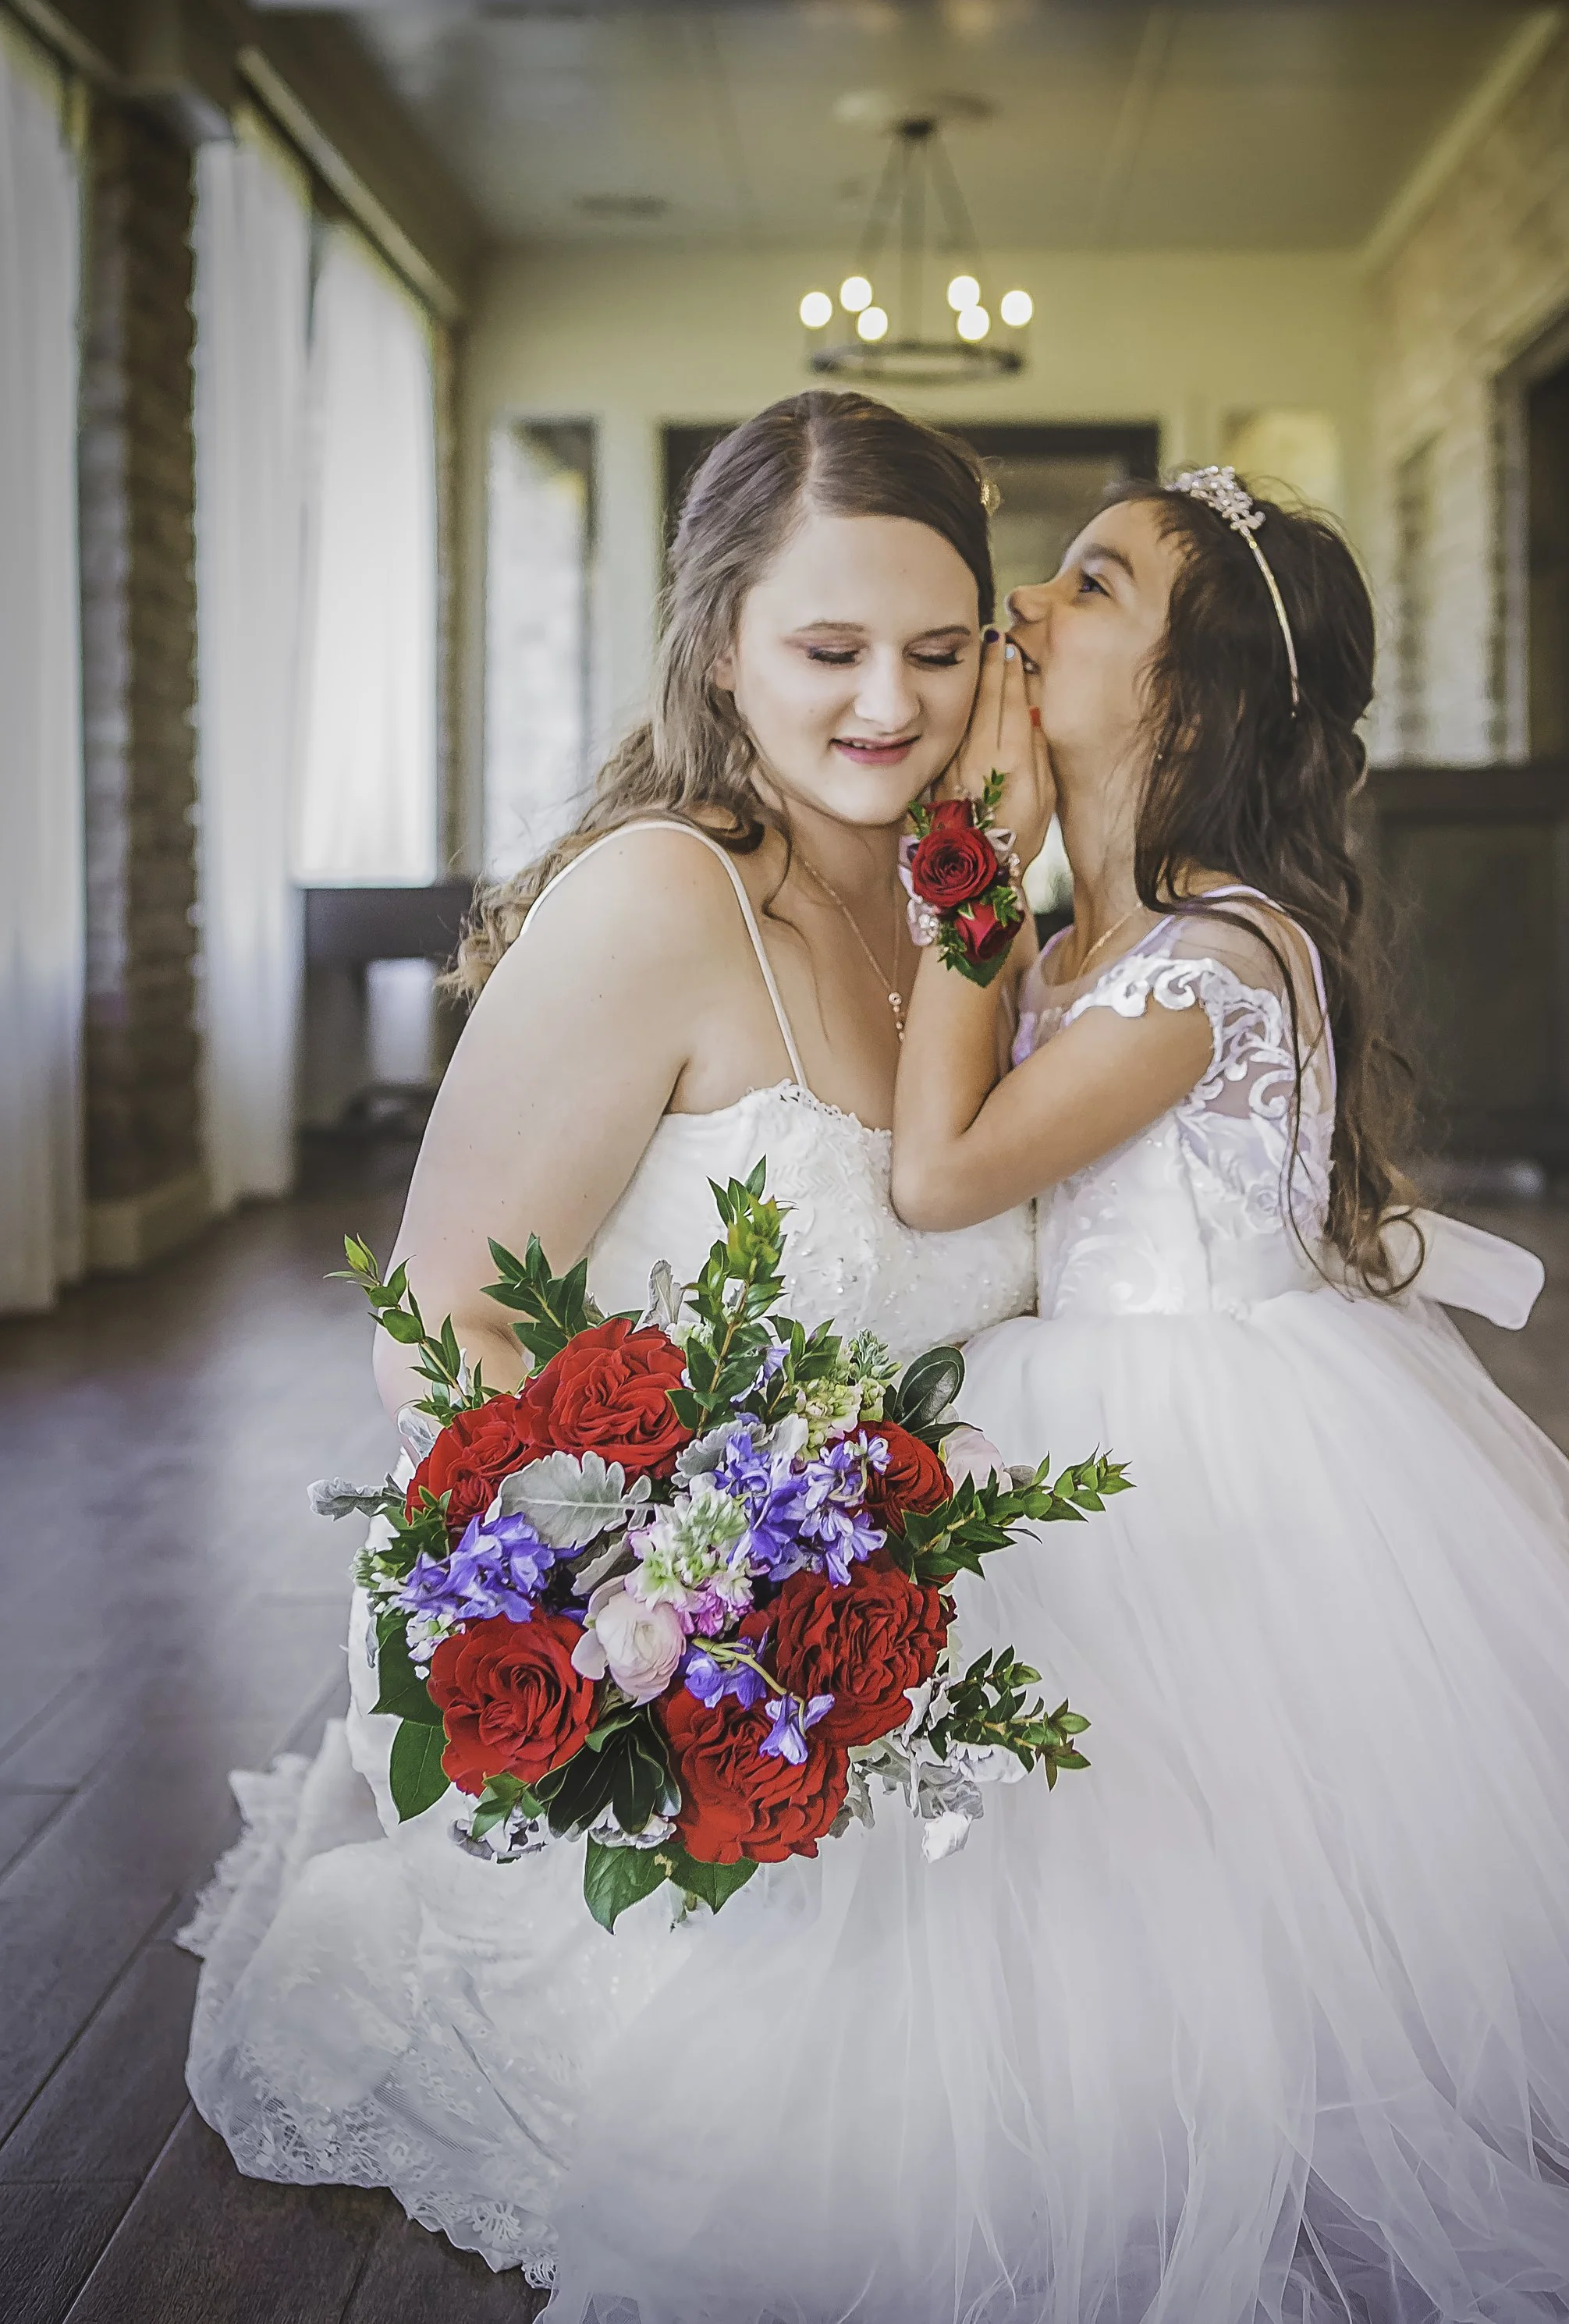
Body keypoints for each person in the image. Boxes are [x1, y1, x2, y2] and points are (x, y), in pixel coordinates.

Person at [529, 477, 1569, 2324]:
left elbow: (942, 1177)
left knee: (1246, 1853)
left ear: (1188, 702)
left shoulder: (1219, 953)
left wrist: (964, 855)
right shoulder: (1075, 948)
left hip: (1218, 1452)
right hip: (1083, 1411)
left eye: (1094, 581)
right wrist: (1005, 896)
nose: (1028, 598)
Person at [179, 390, 1034, 2273]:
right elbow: (439, 1332)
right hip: (612, 1607)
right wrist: (648, 1603)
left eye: (936, 649)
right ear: (722, 647)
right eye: (827, 650)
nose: (887, 702)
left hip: (890, 1594)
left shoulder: (962, 906)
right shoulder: (659, 898)